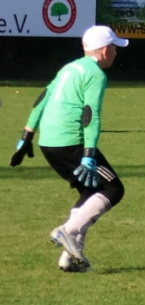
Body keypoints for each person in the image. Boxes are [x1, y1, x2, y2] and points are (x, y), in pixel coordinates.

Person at [11, 25, 129, 272]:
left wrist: (26, 135)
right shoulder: (96, 74)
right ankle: (68, 231)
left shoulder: (69, 67)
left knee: (90, 190)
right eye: (115, 48)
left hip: (49, 143)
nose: (117, 53)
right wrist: (88, 154)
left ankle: (70, 257)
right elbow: (90, 114)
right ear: (105, 50)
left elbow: (43, 97)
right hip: (71, 143)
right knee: (113, 188)